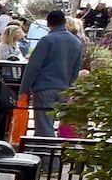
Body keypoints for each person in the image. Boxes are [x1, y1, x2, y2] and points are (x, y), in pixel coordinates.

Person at [21, 9, 84, 138]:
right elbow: (75, 70)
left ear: (49, 23)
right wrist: (69, 87)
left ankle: (48, 156)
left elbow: (33, 67)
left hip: (44, 87)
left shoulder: (47, 40)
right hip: (63, 87)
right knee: (50, 123)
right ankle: (42, 151)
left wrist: (24, 89)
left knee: (44, 125)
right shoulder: (76, 42)